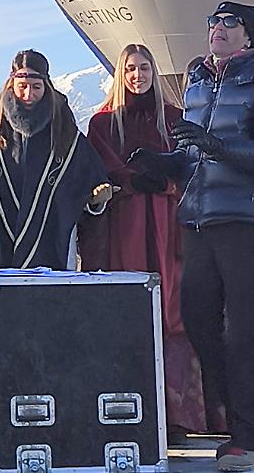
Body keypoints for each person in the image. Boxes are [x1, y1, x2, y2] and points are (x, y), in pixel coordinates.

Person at [128, 1, 254, 471]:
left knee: (243, 327)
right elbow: (192, 157)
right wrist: (162, 166)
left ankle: (250, 437)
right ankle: (253, 417)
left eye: (229, 23)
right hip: (200, 217)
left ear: (249, 35)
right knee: (198, 318)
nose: (217, 29)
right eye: (213, 22)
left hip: (247, 218)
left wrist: (217, 147)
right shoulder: (199, 81)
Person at [83, 44, 205, 439]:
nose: (138, 76)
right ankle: (131, 409)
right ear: (121, 74)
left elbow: (191, 165)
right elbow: (102, 168)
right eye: (131, 69)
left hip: (169, 224)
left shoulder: (174, 118)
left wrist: (166, 182)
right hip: (127, 226)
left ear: (155, 72)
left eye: (145, 68)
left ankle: (178, 415)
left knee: (173, 312)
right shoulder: (103, 123)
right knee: (131, 308)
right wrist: (134, 179)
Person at [0, 48, 112, 271]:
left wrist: (95, 199)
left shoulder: (64, 131)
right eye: (22, 86)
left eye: (36, 87)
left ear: (46, 87)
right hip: (2, 236)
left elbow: (86, 177)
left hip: (53, 236)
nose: (28, 94)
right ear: (11, 85)